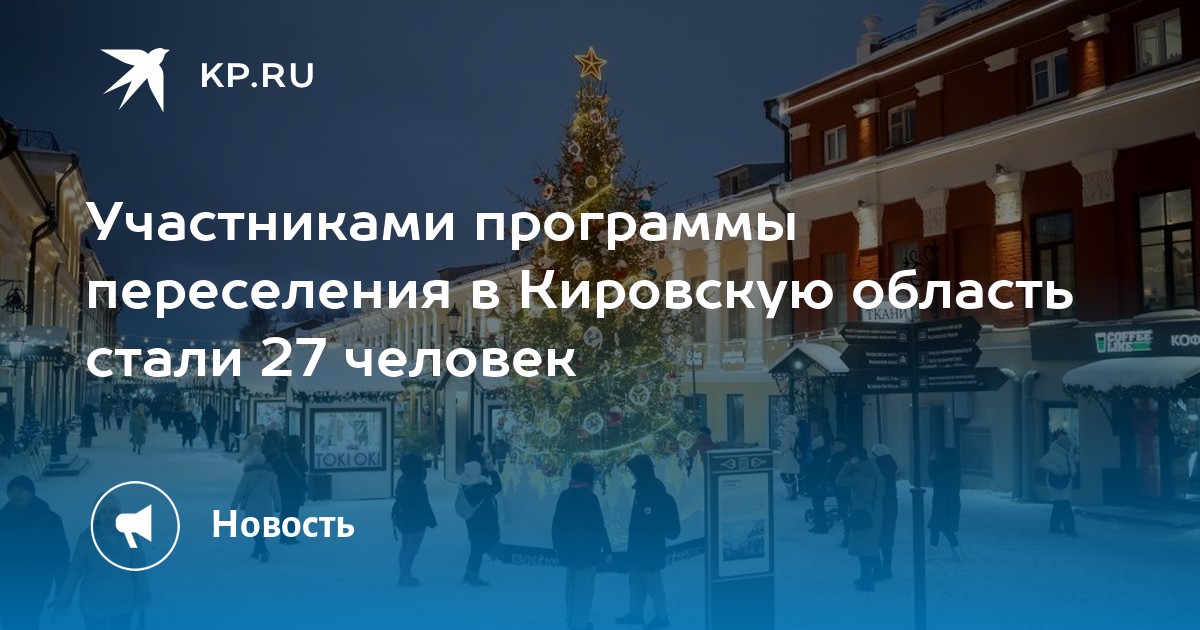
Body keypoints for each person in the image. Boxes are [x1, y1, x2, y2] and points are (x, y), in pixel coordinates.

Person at [53, 494, 150, 630]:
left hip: (123, 604)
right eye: (103, 512)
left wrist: (143, 595)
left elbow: (139, 568)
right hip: (93, 606)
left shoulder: (131, 536)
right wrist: (64, 598)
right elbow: (75, 571)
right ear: (97, 515)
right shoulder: (86, 539)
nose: (109, 517)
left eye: (113, 511)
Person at [0, 476, 70, 630]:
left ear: (31, 493)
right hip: (5, 586)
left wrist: (61, 591)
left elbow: (61, 557)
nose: (16, 495)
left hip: (35, 586)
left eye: (21, 491)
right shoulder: (2, 518)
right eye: (12, 491)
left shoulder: (49, 519)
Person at [617, 454, 674, 630]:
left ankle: (662, 616)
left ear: (641, 471)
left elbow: (650, 522)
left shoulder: (651, 491)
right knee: (636, 581)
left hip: (649, 548)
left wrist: (641, 542)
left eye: (634, 471)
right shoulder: (643, 489)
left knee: (652, 582)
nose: (632, 474)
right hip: (640, 547)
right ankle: (635, 614)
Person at [552, 462, 612, 630]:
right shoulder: (590, 498)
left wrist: (557, 545)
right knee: (584, 590)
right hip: (587, 553)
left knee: (571, 587)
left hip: (568, 551)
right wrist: (607, 548)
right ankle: (580, 624)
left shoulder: (565, 495)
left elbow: (557, 523)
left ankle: (571, 619)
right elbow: (599, 526)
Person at [837, 447, 884, 592]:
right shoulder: (877, 474)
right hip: (876, 513)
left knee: (863, 549)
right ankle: (878, 571)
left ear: (856, 459)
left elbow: (839, 480)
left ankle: (866, 581)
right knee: (871, 545)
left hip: (862, 514)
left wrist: (849, 465)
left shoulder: (858, 477)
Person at [393, 453, 438, 586]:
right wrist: (432, 520)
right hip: (417, 520)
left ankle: (404, 574)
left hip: (403, 517)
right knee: (412, 549)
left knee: (405, 547)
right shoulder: (418, 484)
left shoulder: (403, 479)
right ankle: (404, 576)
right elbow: (424, 504)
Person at [231, 452, 281, 562]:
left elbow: (240, 491)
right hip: (266, 505)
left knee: (254, 529)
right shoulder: (270, 474)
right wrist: (277, 505)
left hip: (251, 505)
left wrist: (234, 505)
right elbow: (275, 491)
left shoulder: (247, 474)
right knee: (262, 528)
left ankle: (263, 550)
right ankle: (258, 550)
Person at [459, 460, 502, 586]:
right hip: (484, 523)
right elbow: (497, 487)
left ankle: (469, 573)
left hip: (472, 522)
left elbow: (479, 477)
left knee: (475, 547)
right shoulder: (482, 488)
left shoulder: (466, 486)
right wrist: (493, 471)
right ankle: (473, 576)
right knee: (479, 548)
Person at [928, 448, 964, 561]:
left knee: (935, 527)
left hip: (942, 503)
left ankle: (931, 554)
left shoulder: (945, 469)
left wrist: (932, 461)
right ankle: (958, 555)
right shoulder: (956, 468)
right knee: (948, 529)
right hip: (952, 504)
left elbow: (934, 474)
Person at [273, 435, 309, 545]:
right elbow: (305, 468)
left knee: (284, 512)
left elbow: (273, 467)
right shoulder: (299, 456)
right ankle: (291, 536)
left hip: (283, 488)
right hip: (296, 489)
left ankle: (283, 536)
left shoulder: (282, 456)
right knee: (294, 513)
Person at [1040, 432, 1077, 537]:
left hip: (1064, 484)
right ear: (1063, 445)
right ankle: (1071, 530)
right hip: (1056, 484)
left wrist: (1072, 472)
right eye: (1068, 445)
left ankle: (1054, 527)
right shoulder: (1053, 453)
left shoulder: (1066, 455)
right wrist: (1054, 469)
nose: (1069, 447)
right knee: (1066, 508)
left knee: (1058, 506)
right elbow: (1042, 462)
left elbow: (1071, 467)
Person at [871, 444, 899, 579]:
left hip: (879, 507)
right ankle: (887, 569)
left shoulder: (877, 469)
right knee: (887, 540)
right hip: (891, 507)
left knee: (875, 538)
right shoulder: (891, 467)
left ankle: (877, 569)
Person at [827, 434, 852, 547]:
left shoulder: (852, 455)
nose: (838, 446)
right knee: (843, 513)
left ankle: (851, 536)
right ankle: (847, 535)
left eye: (840, 444)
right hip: (839, 489)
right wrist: (830, 482)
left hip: (852, 489)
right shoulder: (835, 457)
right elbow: (831, 471)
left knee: (852, 513)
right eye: (836, 444)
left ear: (845, 444)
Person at [807, 420, 831, 534]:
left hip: (818, 485)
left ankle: (821, 526)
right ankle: (819, 524)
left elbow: (816, 472)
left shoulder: (819, 459)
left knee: (818, 505)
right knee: (818, 505)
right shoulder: (822, 457)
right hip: (819, 485)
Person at [778, 419, 802, 501]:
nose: (783, 426)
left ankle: (791, 491)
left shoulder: (787, 434)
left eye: (784, 425)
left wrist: (781, 450)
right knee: (792, 475)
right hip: (794, 456)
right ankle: (793, 493)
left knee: (783, 474)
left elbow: (786, 446)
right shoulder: (794, 434)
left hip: (788, 456)